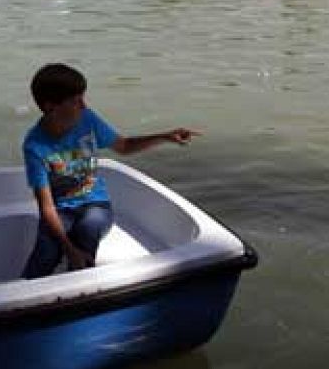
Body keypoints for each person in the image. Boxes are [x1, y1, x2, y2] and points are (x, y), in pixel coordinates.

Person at [20, 63, 199, 279]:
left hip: (95, 203)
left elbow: (123, 146)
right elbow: (46, 207)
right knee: (47, 250)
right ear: (51, 107)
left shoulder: (88, 120)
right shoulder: (35, 146)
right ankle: (21, 296)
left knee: (88, 228)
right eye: (76, 101)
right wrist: (68, 248)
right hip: (60, 208)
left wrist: (164, 136)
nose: (84, 106)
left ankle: (80, 287)